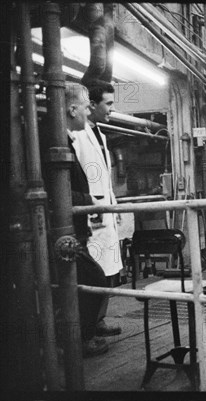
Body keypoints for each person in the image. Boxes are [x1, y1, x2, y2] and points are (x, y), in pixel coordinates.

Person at [71, 80, 123, 337]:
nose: (112, 109)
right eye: (109, 103)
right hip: (89, 213)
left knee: (108, 268)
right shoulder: (77, 134)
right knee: (94, 272)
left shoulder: (100, 134)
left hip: (104, 210)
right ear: (92, 104)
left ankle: (99, 320)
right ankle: (89, 326)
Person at [64, 82, 109, 356]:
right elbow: (57, 190)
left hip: (75, 228)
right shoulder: (59, 139)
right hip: (67, 231)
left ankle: (79, 336)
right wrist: (88, 202)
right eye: (84, 106)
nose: (88, 110)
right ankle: (81, 339)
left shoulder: (66, 138)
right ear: (72, 109)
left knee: (85, 282)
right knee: (94, 279)